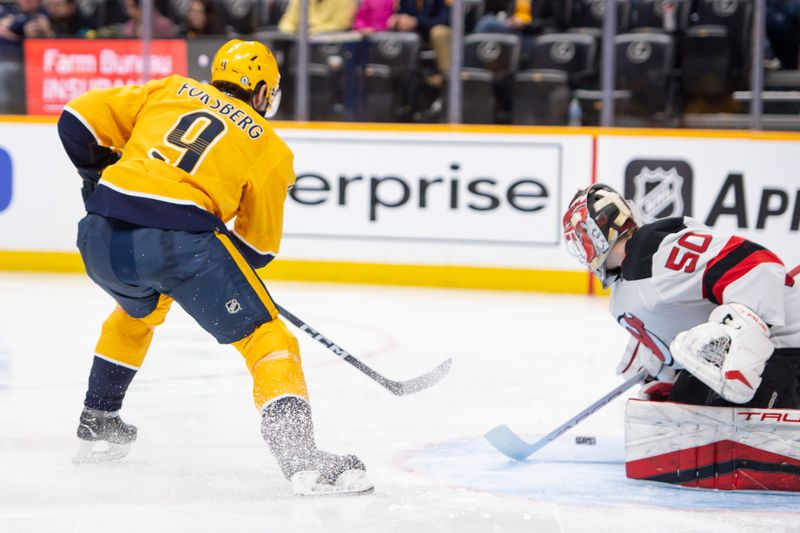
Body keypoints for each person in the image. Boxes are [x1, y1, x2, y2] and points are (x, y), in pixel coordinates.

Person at [57, 39, 372, 496]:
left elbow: (76, 121)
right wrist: (205, 267)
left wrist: (97, 179)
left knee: (138, 313)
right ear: (262, 92)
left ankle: (100, 417)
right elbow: (256, 250)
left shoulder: (169, 89)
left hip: (98, 236)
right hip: (177, 242)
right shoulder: (270, 147)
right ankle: (301, 456)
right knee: (267, 336)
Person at [562, 183, 800, 489]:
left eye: (580, 239)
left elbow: (758, 266)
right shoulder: (633, 274)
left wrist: (741, 334)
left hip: (786, 345)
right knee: (682, 407)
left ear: (597, 234)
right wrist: (661, 365)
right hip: (777, 347)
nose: (581, 251)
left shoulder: (653, 253)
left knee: (727, 407)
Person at [278, 0, 356, 34]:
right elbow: (285, 23)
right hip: (301, 46)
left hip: (333, 47)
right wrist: (295, 30)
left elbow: (343, 23)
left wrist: (314, 29)